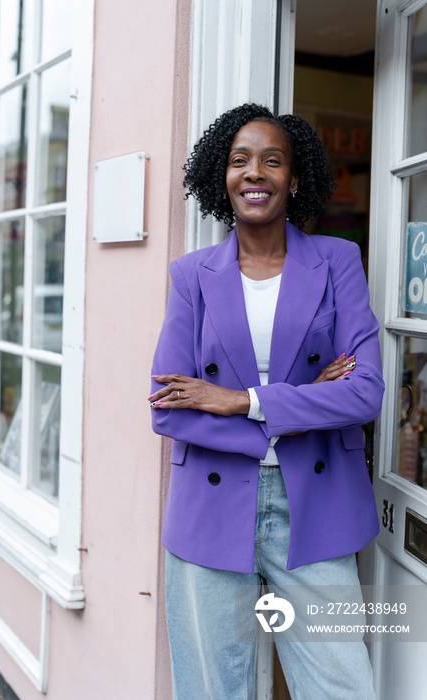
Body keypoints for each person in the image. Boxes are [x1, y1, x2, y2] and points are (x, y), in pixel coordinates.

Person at [149, 103, 384, 700]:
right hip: (210, 502)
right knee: (210, 688)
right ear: (220, 177)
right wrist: (302, 404)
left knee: (342, 686)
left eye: (272, 161)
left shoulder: (337, 262)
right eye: (240, 160)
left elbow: (365, 392)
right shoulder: (191, 275)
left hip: (317, 501)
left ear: (295, 178)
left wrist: (241, 401)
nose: (255, 172)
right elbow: (169, 406)